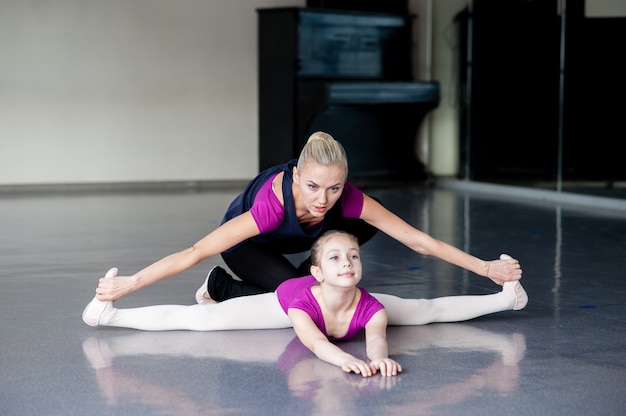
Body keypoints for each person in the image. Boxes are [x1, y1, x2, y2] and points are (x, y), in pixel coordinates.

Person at [94, 131, 522, 304]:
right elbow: (196, 250)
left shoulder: (346, 198)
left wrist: (487, 268)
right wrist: (129, 283)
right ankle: (221, 288)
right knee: (303, 301)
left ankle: (307, 272)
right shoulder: (270, 205)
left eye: (334, 188)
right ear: (297, 176)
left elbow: (416, 239)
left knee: (363, 224)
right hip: (253, 244)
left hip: (298, 243)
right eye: (314, 186)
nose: (323, 199)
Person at [83, 230, 528, 377]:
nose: (347, 261)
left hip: (342, 311)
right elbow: (314, 344)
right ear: (317, 271)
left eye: (353, 255)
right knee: (204, 321)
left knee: (426, 310)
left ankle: (506, 299)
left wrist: (379, 360)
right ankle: (110, 314)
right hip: (286, 306)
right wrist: (345, 364)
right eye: (335, 257)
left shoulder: (370, 304)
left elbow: (376, 337)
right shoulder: (300, 294)